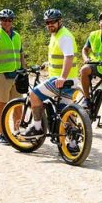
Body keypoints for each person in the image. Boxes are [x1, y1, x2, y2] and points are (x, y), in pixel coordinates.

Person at [22, 9, 79, 143]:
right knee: (66, 113)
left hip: (60, 81)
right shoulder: (57, 35)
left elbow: (69, 57)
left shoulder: (64, 36)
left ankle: (37, 128)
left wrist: (62, 77)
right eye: (47, 22)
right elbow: (60, 56)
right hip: (71, 80)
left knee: (34, 95)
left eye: (53, 22)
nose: (50, 25)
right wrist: (48, 64)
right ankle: (73, 144)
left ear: (60, 21)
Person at [0, 9, 27, 145]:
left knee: (18, 106)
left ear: (12, 21)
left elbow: (21, 55)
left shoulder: (17, 36)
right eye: (4, 19)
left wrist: (24, 71)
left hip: (17, 75)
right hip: (2, 75)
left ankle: (16, 131)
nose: (7, 22)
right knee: (2, 105)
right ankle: (0, 134)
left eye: (9, 20)